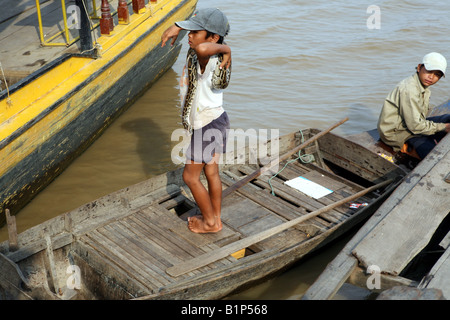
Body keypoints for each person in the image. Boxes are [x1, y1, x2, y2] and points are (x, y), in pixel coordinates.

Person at [161, 8, 232, 233]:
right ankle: (215, 217)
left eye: (195, 31)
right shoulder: (206, 53)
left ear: (213, 38)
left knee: (190, 177)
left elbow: (202, 47)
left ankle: (210, 223)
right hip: (217, 119)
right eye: (188, 31)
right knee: (211, 171)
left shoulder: (209, 57)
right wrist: (182, 26)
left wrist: (227, 48)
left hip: (207, 125)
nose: (189, 36)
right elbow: (200, 43)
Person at [377, 52, 450, 160]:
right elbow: (415, 126)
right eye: (429, 71)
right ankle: (406, 148)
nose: (431, 77)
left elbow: (417, 121)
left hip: (411, 125)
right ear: (419, 67)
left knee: (448, 118)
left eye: (437, 75)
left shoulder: (423, 86)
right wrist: (443, 127)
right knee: (435, 157)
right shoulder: (409, 90)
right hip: (398, 133)